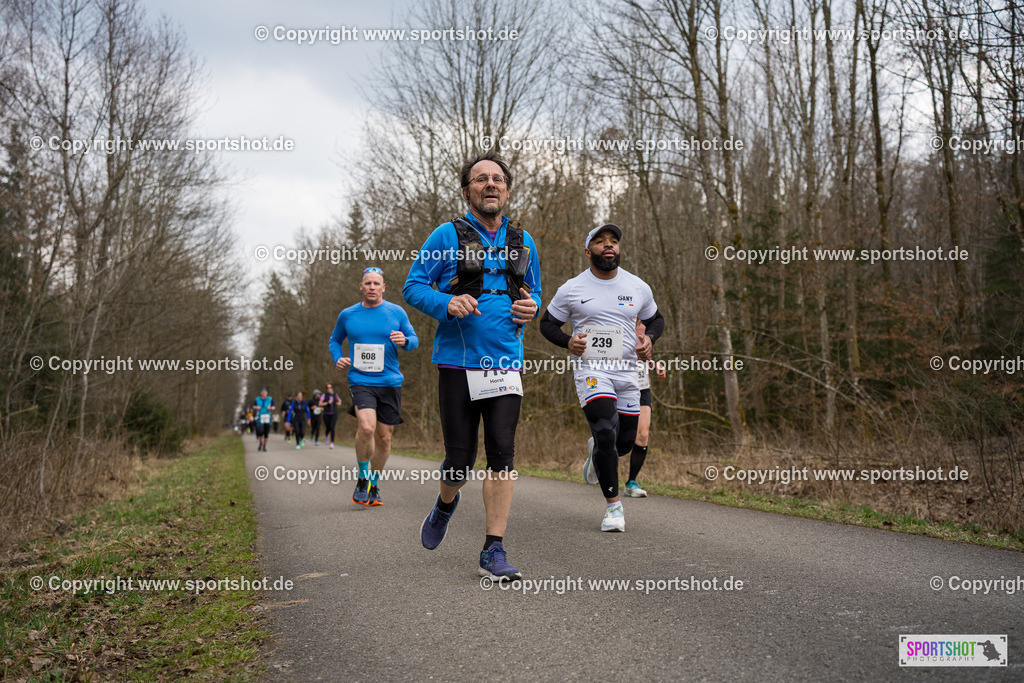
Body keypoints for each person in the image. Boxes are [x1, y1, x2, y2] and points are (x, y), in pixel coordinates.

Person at [404, 150, 541, 581]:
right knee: (459, 461)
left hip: (505, 363)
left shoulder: (524, 242)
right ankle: (446, 503)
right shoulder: (446, 235)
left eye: (497, 178)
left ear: (507, 188)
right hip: (457, 364)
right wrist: (447, 302)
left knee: (502, 454)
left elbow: (533, 292)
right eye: (481, 179)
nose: (490, 184)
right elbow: (412, 286)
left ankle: (492, 550)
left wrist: (531, 308)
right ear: (467, 190)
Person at [539, 224, 664, 532]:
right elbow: (546, 324)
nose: (609, 245)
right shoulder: (572, 288)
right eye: (600, 241)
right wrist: (568, 342)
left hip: (627, 371)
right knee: (606, 431)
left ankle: (597, 451)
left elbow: (655, 320)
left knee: (624, 442)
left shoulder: (638, 287)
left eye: (613, 241)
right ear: (588, 251)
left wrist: (649, 338)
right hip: (592, 369)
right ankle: (614, 508)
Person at [329, 267, 419, 507]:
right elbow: (335, 340)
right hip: (360, 380)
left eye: (376, 283)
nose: (371, 287)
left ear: (383, 288)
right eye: (367, 283)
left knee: (385, 438)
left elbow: (414, 340)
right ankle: (362, 477)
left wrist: (405, 341)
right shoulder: (347, 315)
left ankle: (374, 484)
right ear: (361, 286)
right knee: (367, 428)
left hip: (389, 382)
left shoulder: (396, 312)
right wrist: (338, 357)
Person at [626, 319, 667, 497]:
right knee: (616, 434)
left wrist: (656, 364)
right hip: (619, 383)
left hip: (642, 386)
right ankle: (597, 453)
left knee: (642, 435)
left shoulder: (647, 329)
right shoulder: (615, 320)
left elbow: (646, 357)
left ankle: (631, 483)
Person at [319, 383, 341, 448]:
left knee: (332, 428)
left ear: (332, 388)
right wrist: (327, 403)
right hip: (326, 414)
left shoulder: (335, 395)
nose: (329, 389)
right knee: (328, 428)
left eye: (330, 387)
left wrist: (339, 403)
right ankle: (326, 436)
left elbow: (339, 400)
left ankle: (332, 443)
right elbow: (320, 403)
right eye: (328, 388)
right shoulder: (324, 395)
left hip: (334, 414)